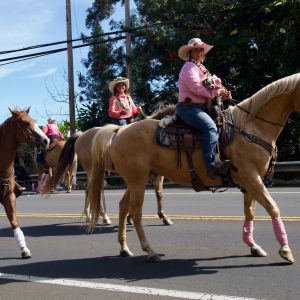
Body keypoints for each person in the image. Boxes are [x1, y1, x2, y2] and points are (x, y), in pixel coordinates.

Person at [176, 37, 232, 179]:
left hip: (201, 108)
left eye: (201, 50)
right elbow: (197, 88)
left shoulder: (201, 68)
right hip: (188, 108)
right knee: (210, 128)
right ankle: (211, 166)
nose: (199, 52)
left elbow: (214, 86)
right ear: (190, 53)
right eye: (196, 50)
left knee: (225, 125)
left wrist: (224, 92)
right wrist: (217, 92)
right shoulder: (188, 67)